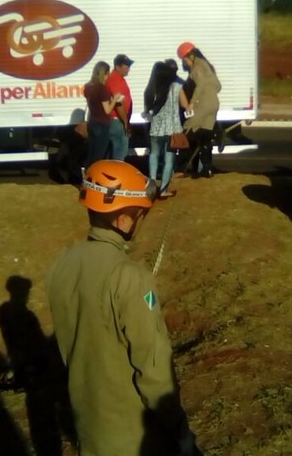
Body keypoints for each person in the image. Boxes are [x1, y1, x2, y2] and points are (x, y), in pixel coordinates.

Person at [46, 160, 197, 455]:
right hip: (134, 437)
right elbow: (153, 367)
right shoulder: (132, 277)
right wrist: (180, 431)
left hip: (88, 426)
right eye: (140, 214)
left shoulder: (63, 262)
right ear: (124, 220)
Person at [143, 60, 190, 198]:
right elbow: (185, 105)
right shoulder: (177, 86)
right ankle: (163, 189)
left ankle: (151, 185)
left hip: (156, 127)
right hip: (172, 128)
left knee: (154, 154)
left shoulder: (153, 87)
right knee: (169, 160)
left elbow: (148, 109)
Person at [177, 41, 221, 178]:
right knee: (205, 137)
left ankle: (180, 168)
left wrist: (192, 102)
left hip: (202, 104)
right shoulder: (208, 66)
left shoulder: (197, 67)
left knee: (187, 130)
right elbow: (218, 86)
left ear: (189, 56)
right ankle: (207, 169)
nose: (184, 64)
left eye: (184, 60)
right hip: (214, 104)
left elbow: (200, 86)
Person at [83, 61, 121, 168]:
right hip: (102, 124)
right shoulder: (102, 88)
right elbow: (107, 110)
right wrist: (115, 99)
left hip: (92, 122)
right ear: (104, 74)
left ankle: (86, 175)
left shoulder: (88, 87)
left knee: (91, 153)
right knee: (99, 156)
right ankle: (93, 179)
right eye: (108, 74)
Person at [105, 54, 134, 161]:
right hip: (117, 121)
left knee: (118, 151)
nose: (128, 70)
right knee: (120, 152)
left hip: (118, 120)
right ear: (117, 67)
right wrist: (125, 122)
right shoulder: (115, 80)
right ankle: (117, 175)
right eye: (126, 67)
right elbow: (118, 103)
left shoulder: (118, 79)